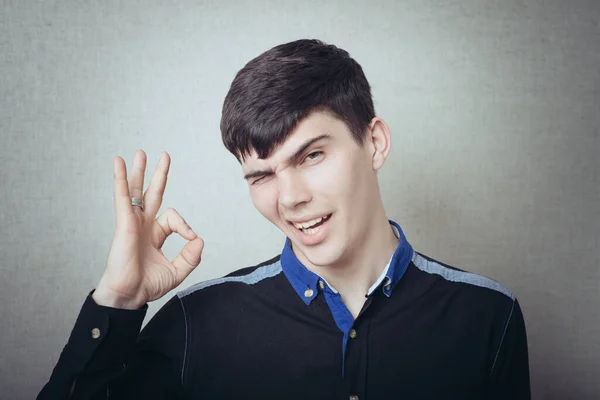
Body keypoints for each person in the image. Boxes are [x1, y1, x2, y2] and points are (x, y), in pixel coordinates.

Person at [37, 39, 530, 400]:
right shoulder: (196, 323)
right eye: (261, 176)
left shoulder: (489, 317)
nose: (290, 198)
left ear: (374, 142)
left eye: (312, 155)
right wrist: (118, 301)